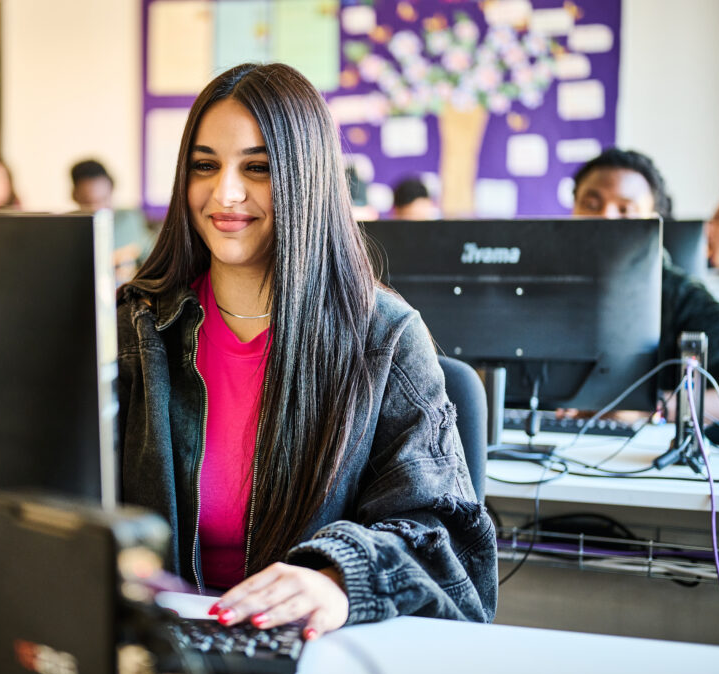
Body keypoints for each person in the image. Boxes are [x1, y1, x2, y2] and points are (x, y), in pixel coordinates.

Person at [117, 62, 496, 641]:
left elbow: (446, 541)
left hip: (313, 646)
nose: (225, 193)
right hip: (153, 643)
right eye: (205, 166)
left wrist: (342, 579)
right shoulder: (137, 326)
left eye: (258, 168)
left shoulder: (383, 335)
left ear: (306, 176)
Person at [572, 148, 719, 386]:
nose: (606, 217)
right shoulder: (537, 282)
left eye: (625, 209)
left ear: (653, 222)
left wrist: (653, 411)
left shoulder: (681, 297)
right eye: (591, 204)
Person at [71, 159, 155, 285]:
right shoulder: (67, 227)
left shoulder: (129, 219)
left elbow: (156, 257)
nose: (97, 208)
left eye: (103, 199)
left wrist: (136, 272)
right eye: (88, 202)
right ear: (75, 196)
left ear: (111, 190)